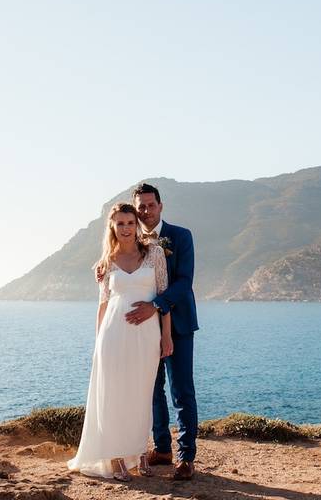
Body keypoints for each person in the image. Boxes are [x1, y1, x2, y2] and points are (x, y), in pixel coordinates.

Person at [67, 203, 173, 481]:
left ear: (136, 225)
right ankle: (115, 458)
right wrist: (97, 342)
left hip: (147, 334)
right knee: (114, 394)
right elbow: (103, 305)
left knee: (141, 394)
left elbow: (164, 296)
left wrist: (166, 335)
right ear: (112, 228)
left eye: (130, 222)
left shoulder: (155, 254)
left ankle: (139, 452)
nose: (125, 228)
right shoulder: (106, 262)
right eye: (120, 223)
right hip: (113, 334)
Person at [126, 182, 199, 481]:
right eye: (140, 206)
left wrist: (156, 305)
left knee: (181, 391)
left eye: (150, 205)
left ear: (160, 206)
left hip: (178, 325)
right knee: (152, 390)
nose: (145, 211)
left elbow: (184, 281)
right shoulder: (131, 241)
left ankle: (186, 457)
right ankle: (162, 448)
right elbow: (117, 265)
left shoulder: (180, 237)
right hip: (143, 329)